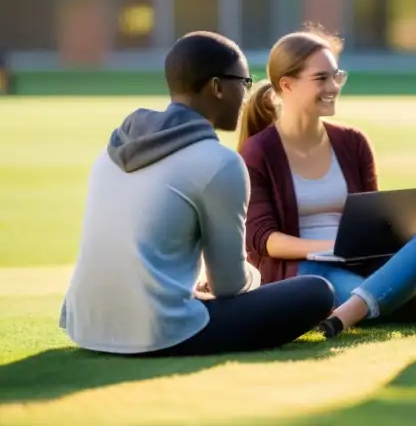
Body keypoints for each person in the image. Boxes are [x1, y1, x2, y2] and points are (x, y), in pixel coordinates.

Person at [60, 31, 336, 356]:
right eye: (244, 83)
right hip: (160, 332)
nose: (246, 97)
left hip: (86, 326)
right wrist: (255, 277)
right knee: (317, 293)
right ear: (217, 87)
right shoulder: (219, 162)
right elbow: (229, 285)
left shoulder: (114, 148)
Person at [237, 25, 416, 338]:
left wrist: (387, 235)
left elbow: (372, 220)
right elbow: (265, 240)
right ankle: (404, 305)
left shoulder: (353, 142)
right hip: (304, 269)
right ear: (287, 85)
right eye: (321, 78)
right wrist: (330, 248)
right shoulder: (258, 152)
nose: (333, 86)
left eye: (336, 75)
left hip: (361, 262)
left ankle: (353, 311)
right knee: (350, 288)